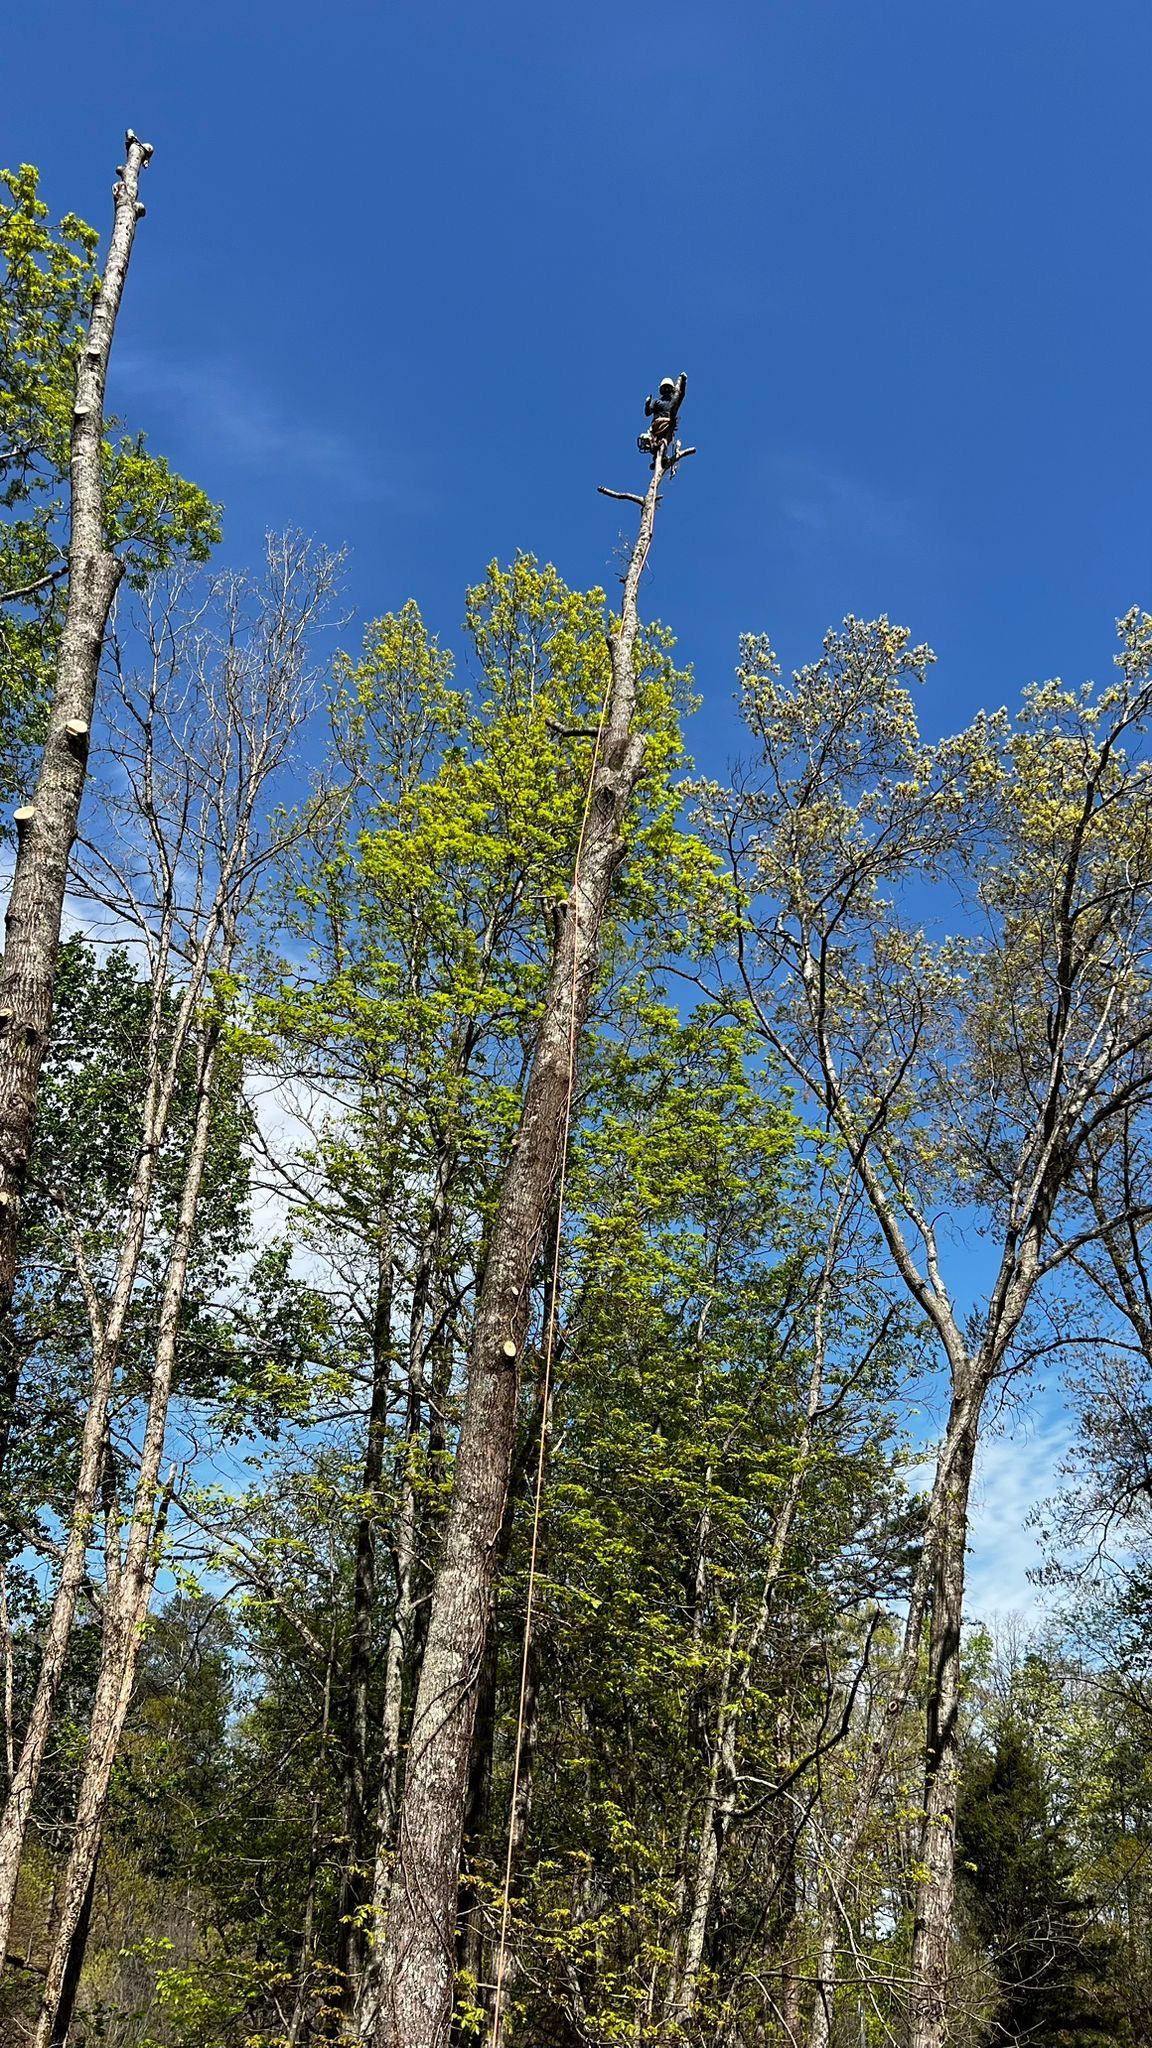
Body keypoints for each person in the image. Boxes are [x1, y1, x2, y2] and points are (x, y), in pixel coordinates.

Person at [638, 373, 687, 466]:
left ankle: (661, 458)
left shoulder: (674, 401)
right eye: (664, 388)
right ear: (661, 389)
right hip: (657, 425)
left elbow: (681, 395)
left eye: (668, 388)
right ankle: (658, 458)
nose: (666, 390)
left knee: (663, 442)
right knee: (654, 442)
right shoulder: (657, 401)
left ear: (671, 389)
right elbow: (648, 412)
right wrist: (647, 404)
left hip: (668, 424)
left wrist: (683, 382)